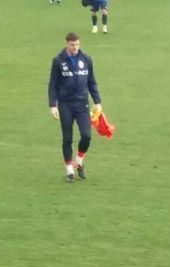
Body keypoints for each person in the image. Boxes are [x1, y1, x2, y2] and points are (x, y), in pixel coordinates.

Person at [48, 33, 102, 183]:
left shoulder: (86, 59)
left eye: (77, 44)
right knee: (67, 138)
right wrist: (53, 105)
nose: (75, 47)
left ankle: (79, 161)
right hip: (65, 104)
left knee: (86, 135)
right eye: (72, 45)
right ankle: (69, 170)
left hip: (82, 104)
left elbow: (92, 81)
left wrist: (97, 101)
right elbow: (53, 84)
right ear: (67, 44)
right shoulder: (58, 61)